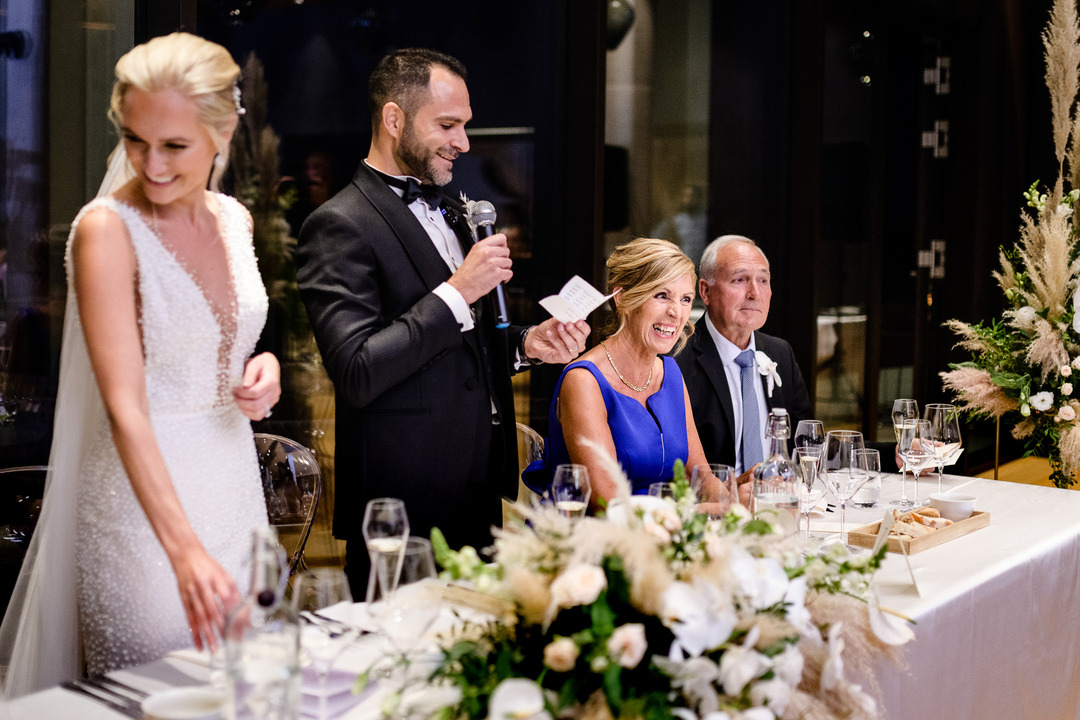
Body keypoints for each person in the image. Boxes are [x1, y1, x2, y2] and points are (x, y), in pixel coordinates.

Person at [0, 32, 279, 697]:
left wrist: (259, 371)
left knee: (245, 688)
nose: (151, 165)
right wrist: (182, 552)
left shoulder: (235, 218)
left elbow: (228, 340)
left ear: (224, 129)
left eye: (174, 145)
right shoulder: (105, 231)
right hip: (141, 512)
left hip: (234, 487)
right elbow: (124, 404)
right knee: (160, 695)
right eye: (135, 140)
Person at [295, 48, 588, 598]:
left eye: (465, 126)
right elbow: (357, 369)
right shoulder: (337, 224)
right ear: (393, 119)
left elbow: (458, 349)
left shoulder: (456, 211)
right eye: (448, 125)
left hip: (476, 490)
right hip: (400, 503)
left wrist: (528, 345)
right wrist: (458, 290)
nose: (464, 143)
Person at [524, 238, 730, 506]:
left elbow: (698, 476)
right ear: (623, 298)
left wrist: (738, 505)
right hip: (589, 537)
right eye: (661, 295)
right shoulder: (584, 380)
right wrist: (691, 519)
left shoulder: (670, 372)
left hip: (662, 530)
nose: (676, 312)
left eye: (685, 299)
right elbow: (608, 502)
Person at [676, 235, 812, 478]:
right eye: (740, 280)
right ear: (705, 292)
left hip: (781, 500)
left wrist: (891, 453)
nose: (754, 293)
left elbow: (808, 444)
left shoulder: (780, 352)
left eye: (763, 280)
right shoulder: (676, 359)